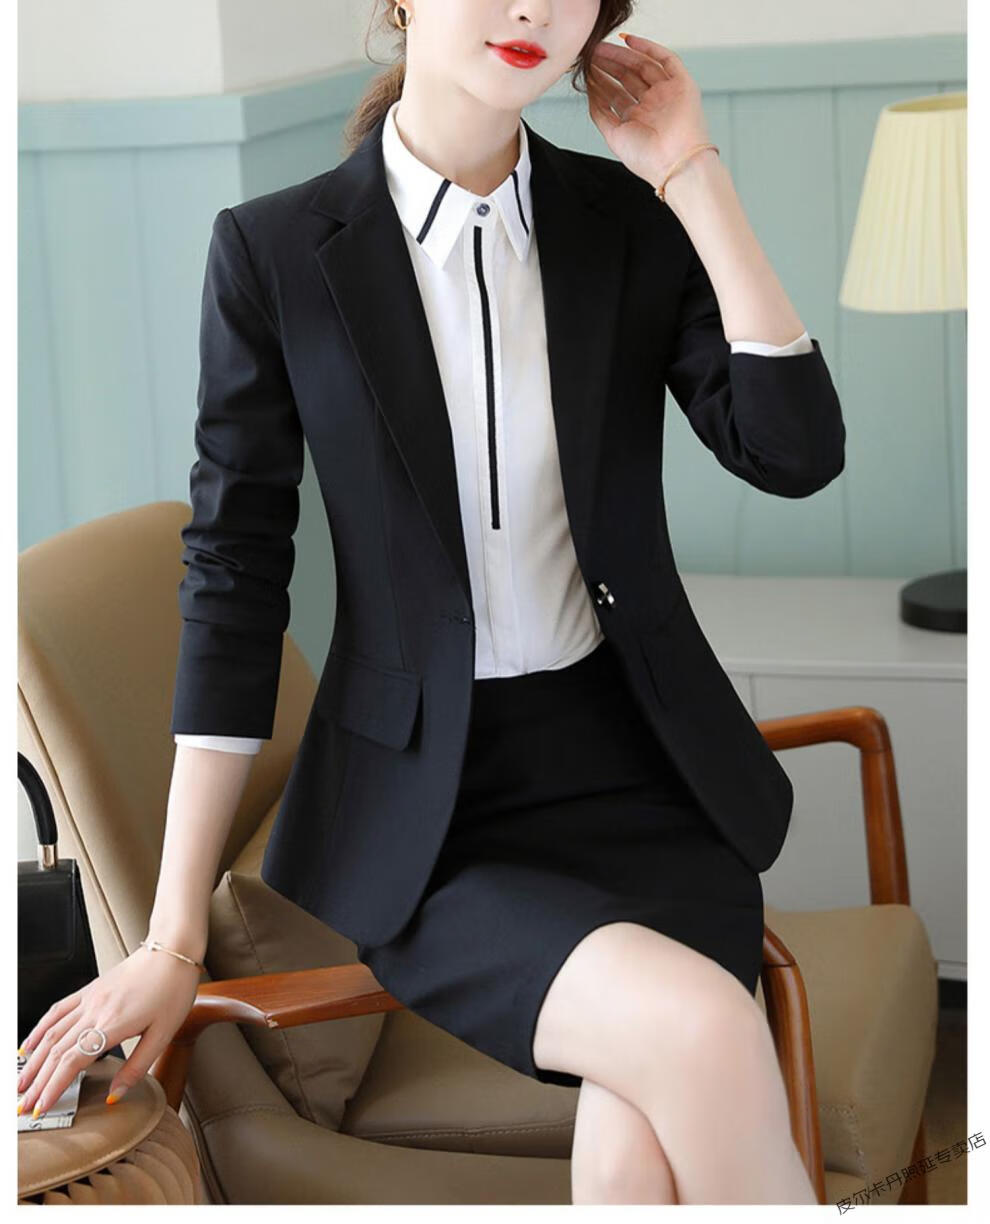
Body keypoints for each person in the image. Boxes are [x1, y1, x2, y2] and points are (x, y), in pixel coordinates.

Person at [17, 0, 845, 1205]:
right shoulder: (276, 251)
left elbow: (793, 451)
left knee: (634, 1153)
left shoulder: (623, 220)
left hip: (648, 782)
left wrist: (690, 173)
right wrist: (171, 937)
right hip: (435, 819)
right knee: (707, 1031)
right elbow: (234, 585)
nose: (530, 8)